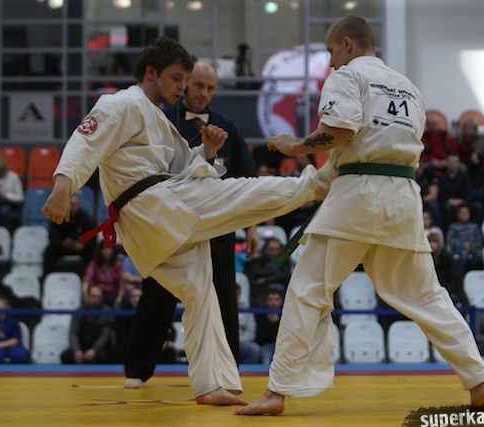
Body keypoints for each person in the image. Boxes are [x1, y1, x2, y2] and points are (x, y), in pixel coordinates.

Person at [42, 35, 329, 406]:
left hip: (150, 223)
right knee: (237, 193)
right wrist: (63, 184)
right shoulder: (121, 102)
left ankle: (211, 384)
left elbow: (183, 168)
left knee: (199, 290)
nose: (182, 87)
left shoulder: (159, 122)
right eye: (177, 78)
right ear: (151, 72)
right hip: (152, 206)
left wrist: (207, 151)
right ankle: (317, 183)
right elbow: (86, 139)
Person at [236, 16, 484, 416]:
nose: (330, 62)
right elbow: (384, 145)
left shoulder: (347, 76)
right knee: (426, 295)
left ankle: (276, 392)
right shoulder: (408, 87)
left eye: (330, 51)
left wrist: (293, 146)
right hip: (402, 198)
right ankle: (478, 380)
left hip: (358, 198)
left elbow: (339, 130)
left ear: (347, 43)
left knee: (307, 290)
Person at [123, 61, 259, 385]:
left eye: (210, 88)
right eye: (198, 85)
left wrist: (252, 227)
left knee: (223, 297)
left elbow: (244, 179)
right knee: (157, 293)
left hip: (217, 224)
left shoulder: (226, 125)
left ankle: (226, 373)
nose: (203, 93)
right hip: (170, 222)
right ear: (185, 84)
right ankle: (137, 371)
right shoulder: (162, 121)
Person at [43, 194, 96, 277]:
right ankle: (47, 278)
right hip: (63, 247)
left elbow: (92, 235)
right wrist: (63, 243)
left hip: (81, 247)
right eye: (71, 204)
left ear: (80, 204)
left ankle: (90, 279)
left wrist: (83, 245)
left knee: (94, 252)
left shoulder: (86, 217)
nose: (73, 207)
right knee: (49, 252)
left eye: (75, 204)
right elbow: (52, 235)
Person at [61, 284, 113, 364]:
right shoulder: (79, 311)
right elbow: (73, 332)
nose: (95, 299)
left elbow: (106, 334)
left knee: (104, 357)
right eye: (93, 296)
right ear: (88, 296)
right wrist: (77, 350)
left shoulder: (108, 312)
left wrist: (94, 350)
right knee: (65, 356)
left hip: (99, 348)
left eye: (98, 297)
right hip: (82, 346)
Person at [438, 153, 481, 232]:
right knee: (447, 207)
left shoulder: (465, 176)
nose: (453, 164)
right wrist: (451, 201)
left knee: (478, 207)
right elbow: (441, 195)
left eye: (455, 161)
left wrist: (463, 202)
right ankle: (449, 233)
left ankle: (476, 232)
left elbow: (469, 192)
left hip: (463, 202)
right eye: (450, 161)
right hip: (449, 202)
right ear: (447, 163)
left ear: (459, 163)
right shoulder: (442, 178)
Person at [245, 238, 292, 308]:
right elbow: (256, 272)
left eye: (277, 249)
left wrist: (265, 279)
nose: (275, 252)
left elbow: (285, 275)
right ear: (265, 249)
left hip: (283, 291)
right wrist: (274, 271)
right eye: (271, 249)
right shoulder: (258, 261)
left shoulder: (286, 262)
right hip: (262, 292)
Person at [0, 293, 29, 364]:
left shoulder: (12, 321)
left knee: (19, 355)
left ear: (5, 307)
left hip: (11, 346)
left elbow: (16, 339)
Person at [82, 240, 124, 307]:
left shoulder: (118, 265)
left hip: (112, 294)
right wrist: (86, 298)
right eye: (104, 249)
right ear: (100, 250)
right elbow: (86, 281)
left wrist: (118, 300)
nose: (107, 251)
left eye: (110, 249)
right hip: (96, 293)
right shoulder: (93, 263)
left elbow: (122, 284)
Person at [446, 203, 483, 278]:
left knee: (479, 253)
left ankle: (470, 273)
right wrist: (462, 245)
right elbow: (450, 240)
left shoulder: (474, 226)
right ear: (458, 215)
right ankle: (461, 277)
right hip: (459, 249)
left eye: (467, 213)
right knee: (464, 254)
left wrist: (475, 245)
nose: (465, 215)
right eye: (462, 213)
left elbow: (479, 239)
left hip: (473, 248)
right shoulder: (453, 227)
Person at [428, 233, 464, 307]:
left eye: (434, 242)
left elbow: (454, 280)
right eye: (429, 242)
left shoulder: (448, 259)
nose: (432, 244)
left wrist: (443, 292)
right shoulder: (424, 260)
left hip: (447, 291)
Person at [255, 285, 284, 364]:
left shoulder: (286, 315)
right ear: (266, 300)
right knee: (266, 360)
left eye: (276, 299)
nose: (273, 303)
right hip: (266, 346)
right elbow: (259, 337)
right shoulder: (260, 314)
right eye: (270, 299)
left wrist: (277, 322)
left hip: (283, 346)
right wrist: (269, 323)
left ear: (281, 300)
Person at [236, 284, 260, 364]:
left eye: (236, 294)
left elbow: (251, 331)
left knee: (254, 349)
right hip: (222, 343)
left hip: (241, 343)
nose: (234, 297)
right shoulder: (219, 309)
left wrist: (240, 340)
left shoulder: (246, 310)